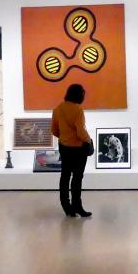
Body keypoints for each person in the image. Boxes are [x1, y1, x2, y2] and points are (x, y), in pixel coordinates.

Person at [51, 84, 93, 218]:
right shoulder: (78, 110)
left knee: (65, 176)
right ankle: (77, 206)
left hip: (64, 147)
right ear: (79, 95)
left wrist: (65, 137)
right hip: (79, 149)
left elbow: (54, 130)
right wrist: (89, 140)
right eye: (83, 94)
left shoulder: (58, 109)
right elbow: (81, 132)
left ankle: (66, 206)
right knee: (77, 177)